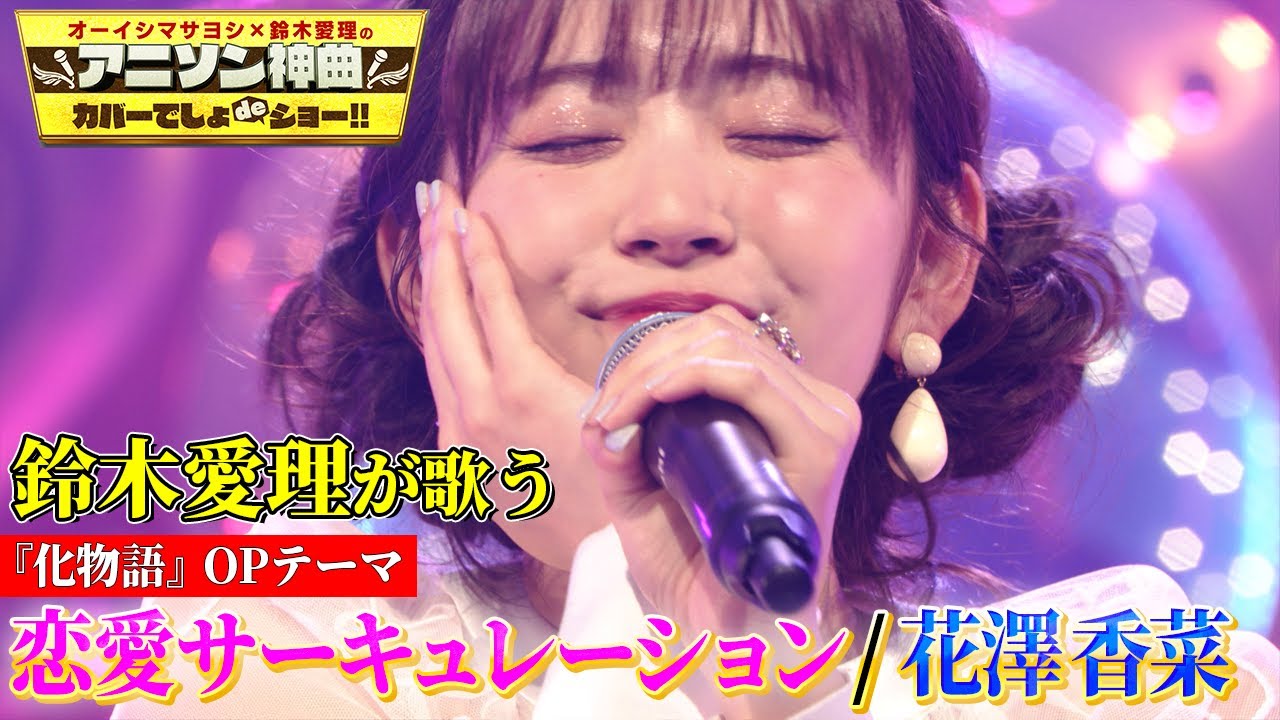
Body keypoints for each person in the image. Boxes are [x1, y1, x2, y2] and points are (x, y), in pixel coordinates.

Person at [114, 0, 1278, 718]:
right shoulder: (268, 669)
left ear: (931, 260)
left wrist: (761, 664)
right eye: (569, 136)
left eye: (779, 130)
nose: (672, 214)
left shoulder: (1140, 690)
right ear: (422, 268)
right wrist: (627, 594)